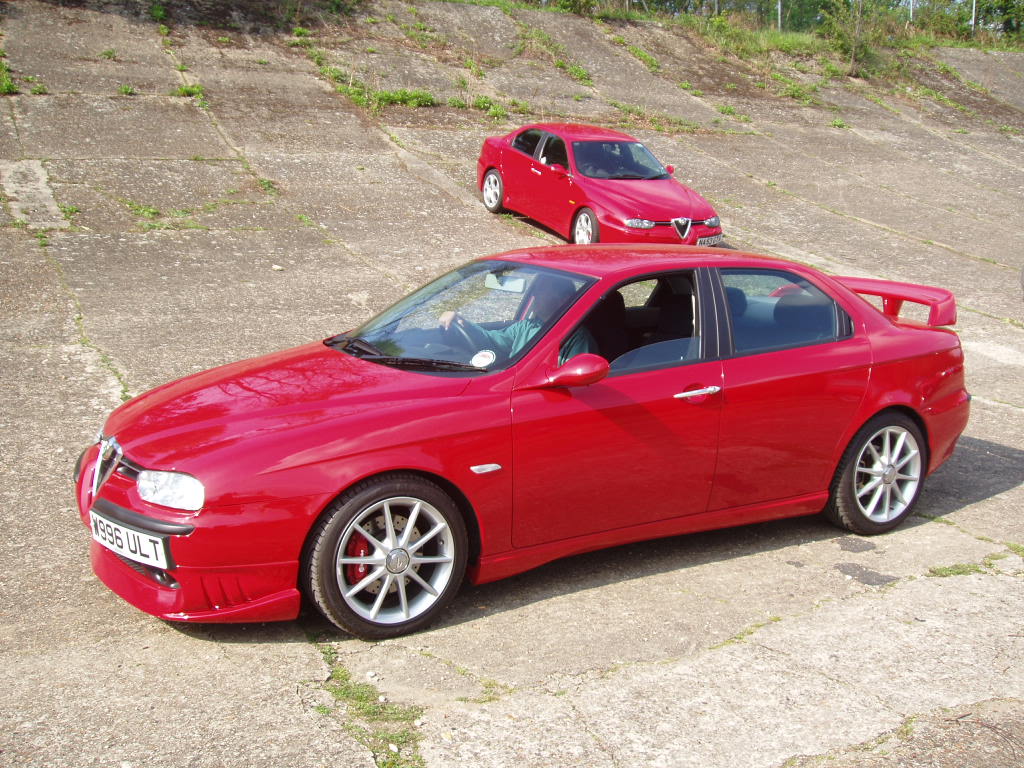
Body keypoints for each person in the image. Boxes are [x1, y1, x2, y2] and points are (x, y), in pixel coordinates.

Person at [439, 275, 596, 365]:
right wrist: (463, 323)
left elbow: (576, 383)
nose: (535, 295)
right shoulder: (528, 326)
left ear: (563, 300)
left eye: (541, 291)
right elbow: (492, 340)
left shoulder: (576, 338)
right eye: (535, 290)